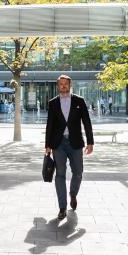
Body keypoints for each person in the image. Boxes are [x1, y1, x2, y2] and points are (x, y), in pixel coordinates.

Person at [45, 75, 94, 220]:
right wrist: (47, 145)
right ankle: (62, 207)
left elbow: (87, 122)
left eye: (66, 84)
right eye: (61, 84)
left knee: (78, 172)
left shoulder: (79, 101)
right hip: (58, 144)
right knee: (60, 174)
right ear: (58, 86)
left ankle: (73, 193)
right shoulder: (53, 103)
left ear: (70, 85)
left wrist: (90, 142)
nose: (63, 86)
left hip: (76, 143)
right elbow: (50, 125)